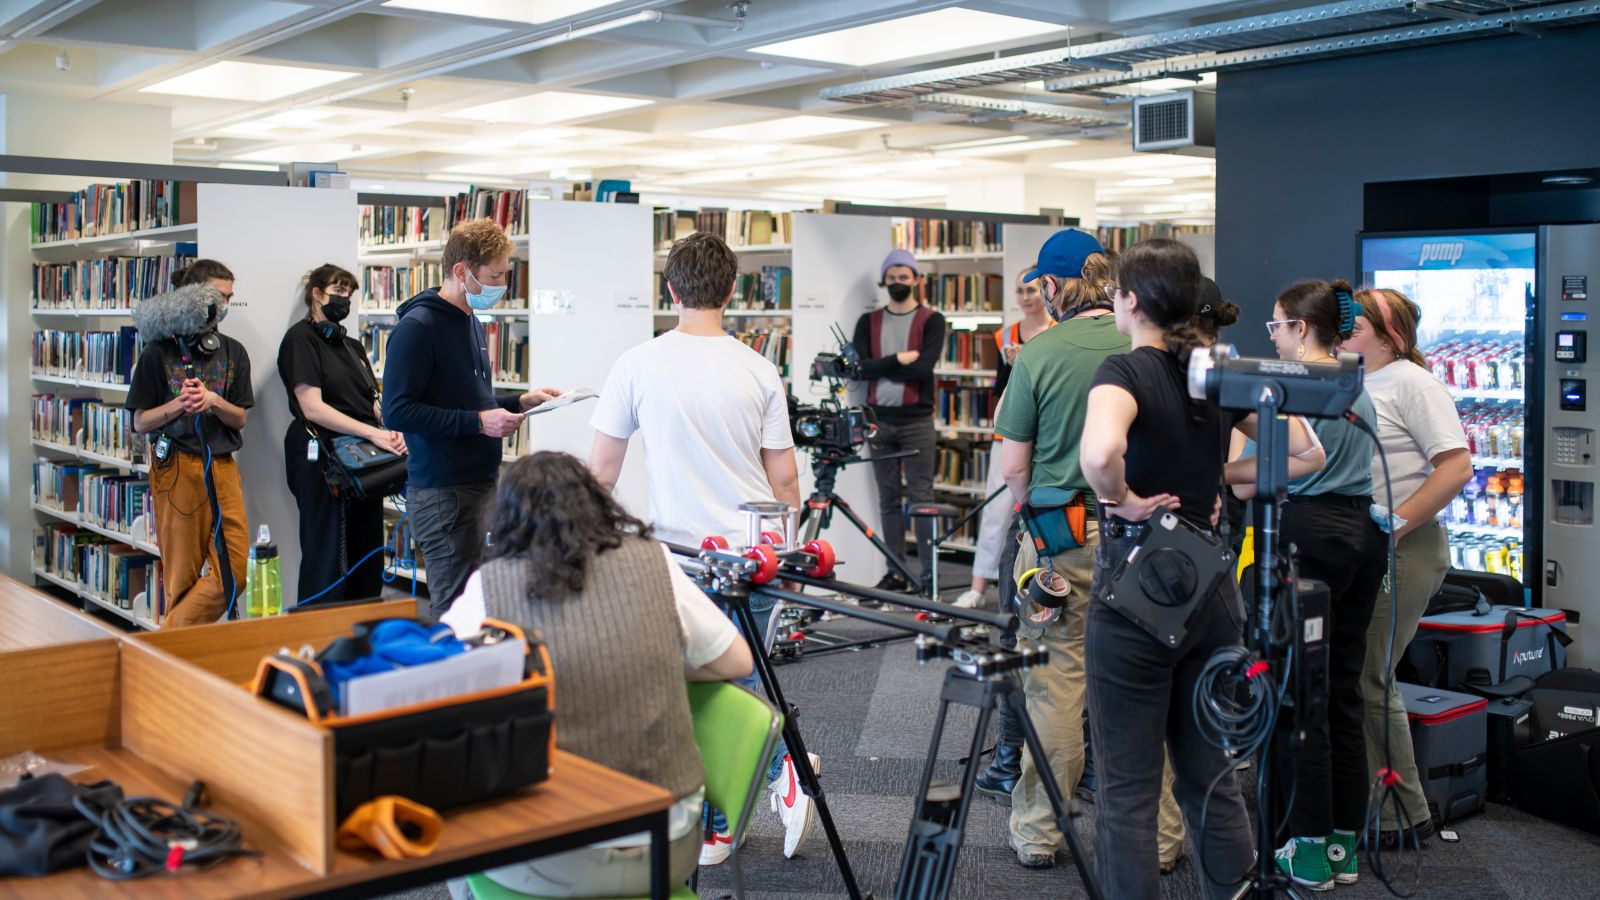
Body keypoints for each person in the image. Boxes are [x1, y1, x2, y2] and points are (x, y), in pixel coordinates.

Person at [1080, 238, 1321, 898]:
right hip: (1211, 594)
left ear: (1128, 300)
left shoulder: (1124, 371)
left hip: (1136, 594)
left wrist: (1123, 500)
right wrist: (1221, 472)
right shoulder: (1215, 373)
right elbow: (1306, 451)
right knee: (1210, 776)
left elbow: (1100, 454)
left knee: (1128, 793)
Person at [587, 231, 812, 865]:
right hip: (754, 551)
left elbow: (601, 472)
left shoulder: (636, 363)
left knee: (705, 692)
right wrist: (788, 554)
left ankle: (779, 771)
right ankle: (728, 818)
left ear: (670, 289)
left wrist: (590, 546)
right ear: (731, 290)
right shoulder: (759, 367)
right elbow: (785, 478)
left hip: (683, 556)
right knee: (728, 683)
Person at [440, 452, 753, 898]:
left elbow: (432, 682)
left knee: (456, 811)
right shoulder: (655, 561)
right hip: (673, 849)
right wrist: (651, 656)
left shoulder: (492, 586)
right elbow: (738, 661)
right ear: (597, 504)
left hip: (556, 861)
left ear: (506, 520)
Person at [1252, 278, 1385, 890]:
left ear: (1301, 329)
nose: (1272, 336)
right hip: (1361, 535)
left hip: (1306, 536)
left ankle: (1300, 848)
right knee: (1341, 693)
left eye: (1277, 325)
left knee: (1295, 696)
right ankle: (1341, 847)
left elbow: (1266, 472)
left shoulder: (1294, 386)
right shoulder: (1357, 383)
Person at [1344, 287, 1472, 849]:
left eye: (1357, 322)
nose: (1345, 327)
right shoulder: (1345, 378)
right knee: (1358, 674)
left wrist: (1395, 523)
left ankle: (1404, 815)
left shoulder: (1412, 383)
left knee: (1371, 675)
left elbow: (1457, 467)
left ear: (1388, 333)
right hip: (1361, 546)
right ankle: (1367, 802)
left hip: (1404, 547)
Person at [382, 218, 559, 615]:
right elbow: (397, 410)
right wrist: (480, 423)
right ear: (462, 272)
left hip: (479, 485)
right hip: (444, 493)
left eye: (505, 275)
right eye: (494, 275)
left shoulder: (471, 323)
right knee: (454, 607)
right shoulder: (417, 327)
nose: (502, 285)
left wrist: (516, 402)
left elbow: (465, 398)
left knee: (482, 603)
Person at [127, 260, 253, 628]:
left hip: (223, 465)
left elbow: (241, 417)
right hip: (178, 467)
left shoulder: (234, 352)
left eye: (229, 298)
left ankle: (162, 643)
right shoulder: (158, 352)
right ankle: (180, 663)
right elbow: (139, 421)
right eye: (218, 297)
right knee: (180, 580)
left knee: (235, 573)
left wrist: (214, 401)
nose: (224, 307)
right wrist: (179, 404)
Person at [278, 263, 407, 605]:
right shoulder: (300, 340)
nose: (344, 299)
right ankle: (320, 634)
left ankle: (361, 626)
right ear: (316, 295)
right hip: (321, 457)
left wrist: (391, 430)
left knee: (367, 551)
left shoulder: (351, 346)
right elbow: (313, 408)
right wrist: (373, 434)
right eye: (337, 292)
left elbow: (371, 400)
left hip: (363, 458)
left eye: (349, 293)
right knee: (328, 555)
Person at [952, 265, 1056, 610]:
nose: (1027, 297)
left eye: (1032, 290)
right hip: (1010, 432)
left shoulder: (1058, 332)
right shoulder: (1005, 335)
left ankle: (1045, 582)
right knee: (995, 510)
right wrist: (1013, 366)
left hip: (1046, 433)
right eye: (1021, 291)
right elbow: (1000, 388)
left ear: (1046, 291)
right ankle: (978, 585)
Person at [851, 249, 947, 591]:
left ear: (917, 280)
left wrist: (882, 364)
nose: (897, 283)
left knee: (922, 497)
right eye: (891, 278)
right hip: (878, 420)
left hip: (917, 421)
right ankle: (896, 572)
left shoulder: (932, 321)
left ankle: (928, 575)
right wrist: (900, 358)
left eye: (903, 277)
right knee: (888, 499)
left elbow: (924, 369)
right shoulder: (868, 322)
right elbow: (859, 369)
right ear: (884, 281)